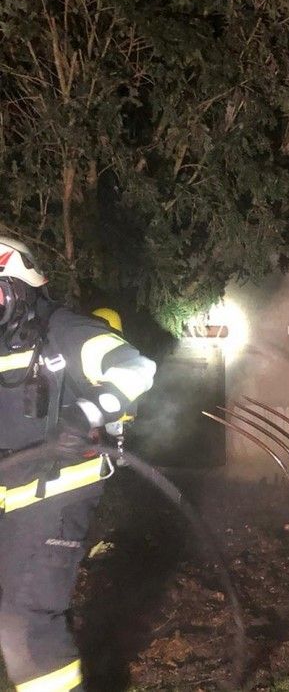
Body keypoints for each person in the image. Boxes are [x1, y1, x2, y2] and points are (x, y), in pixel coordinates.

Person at [0, 236, 156, 691]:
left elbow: (135, 368)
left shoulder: (62, 330)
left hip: (59, 491)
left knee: (24, 621)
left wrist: (86, 414)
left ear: (19, 286)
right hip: (12, 494)